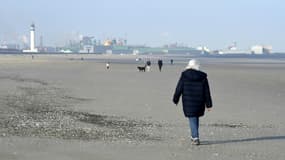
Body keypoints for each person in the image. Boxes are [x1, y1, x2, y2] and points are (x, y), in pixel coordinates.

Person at [172, 59, 212, 145]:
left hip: (188, 101)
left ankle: (195, 137)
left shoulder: (184, 75)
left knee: (192, 117)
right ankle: (194, 136)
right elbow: (207, 91)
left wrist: (175, 99)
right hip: (199, 101)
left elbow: (179, 88)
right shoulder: (202, 76)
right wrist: (208, 104)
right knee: (195, 117)